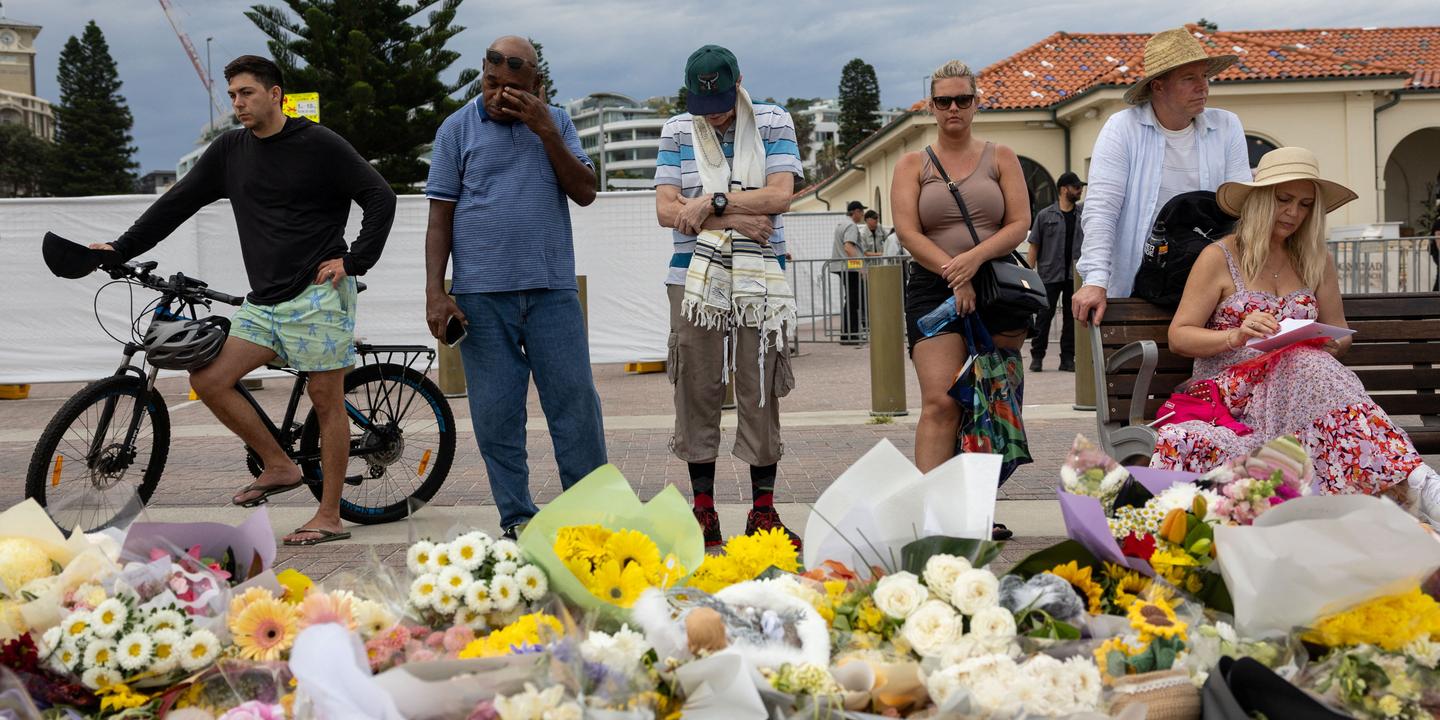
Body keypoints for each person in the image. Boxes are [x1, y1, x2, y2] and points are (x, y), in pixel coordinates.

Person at [93, 55, 397, 546]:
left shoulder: (319, 144)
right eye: (232, 94)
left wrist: (355, 260)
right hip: (265, 301)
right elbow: (177, 203)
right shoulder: (230, 150)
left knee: (325, 400)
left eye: (246, 93)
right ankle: (279, 464)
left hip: (320, 295)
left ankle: (329, 515)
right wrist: (121, 247)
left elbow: (381, 197)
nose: (237, 103)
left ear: (275, 93)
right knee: (210, 377)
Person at [1150, 147, 1440, 516]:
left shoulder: (1314, 259)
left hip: (1303, 392)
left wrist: (1326, 342)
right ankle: (1417, 482)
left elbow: (1342, 335)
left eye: (1305, 204)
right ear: (1258, 200)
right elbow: (1180, 336)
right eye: (1283, 200)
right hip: (1236, 397)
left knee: (1304, 359)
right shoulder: (1219, 256)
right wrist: (1236, 335)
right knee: (1304, 363)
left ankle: (1410, 485)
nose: (1293, 213)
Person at [423, 36, 606, 540]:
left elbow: (586, 192)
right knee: (496, 415)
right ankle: (518, 518)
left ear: (537, 86)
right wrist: (436, 293)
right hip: (482, 297)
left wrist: (546, 129)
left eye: (514, 87)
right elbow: (440, 217)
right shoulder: (455, 130)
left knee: (575, 407)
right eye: (491, 83)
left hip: (552, 291)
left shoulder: (559, 123)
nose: (500, 95)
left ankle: (589, 515)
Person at [655, 44, 803, 548]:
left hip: (761, 277)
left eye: (720, 99)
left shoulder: (773, 121)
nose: (713, 112)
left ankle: (763, 511)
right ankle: (703, 511)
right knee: (695, 385)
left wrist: (711, 204)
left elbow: (781, 195)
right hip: (692, 277)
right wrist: (739, 216)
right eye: (703, 102)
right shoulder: (678, 130)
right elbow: (665, 209)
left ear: (740, 82)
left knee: (758, 382)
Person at [890, 60, 1032, 539]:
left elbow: (1018, 224)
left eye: (963, 100)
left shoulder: (1000, 156)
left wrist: (973, 261)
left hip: (996, 284)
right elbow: (908, 232)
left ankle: (974, 513)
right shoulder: (913, 164)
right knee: (940, 402)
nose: (954, 108)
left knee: (992, 400)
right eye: (944, 101)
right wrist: (954, 273)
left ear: (977, 102)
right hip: (934, 288)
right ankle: (933, 515)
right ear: (931, 107)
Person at [1072, 27, 1250, 326]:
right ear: (1158, 86)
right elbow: (1102, 209)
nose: (1203, 87)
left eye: (1205, 76)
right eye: (1189, 78)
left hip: (1215, 283)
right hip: (1139, 283)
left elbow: (1242, 207)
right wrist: (1096, 279)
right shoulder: (1123, 129)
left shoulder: (1227, 126)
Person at [1027, 171, 1085, 372]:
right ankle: (1037, 356)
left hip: (1074, 276)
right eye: (1076, 187)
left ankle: (1067, 359)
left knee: (1071, 319)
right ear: (1064, 189)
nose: (1080, 191)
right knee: (1044, 317)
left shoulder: (1083, 214)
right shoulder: (1045, 216)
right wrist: (1028, 274)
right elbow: (1034, 246)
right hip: (1049, 275)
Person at [832, 200, 867, 344]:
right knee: (853, 302)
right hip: (850, 268)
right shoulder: (851, 225)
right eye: (862, 211)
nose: (863, 215)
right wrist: (861, 268)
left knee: (851, 301)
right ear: (856, 212)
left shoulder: (842, 223)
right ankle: (851, 335)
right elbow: (848, 247)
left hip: (844, 267)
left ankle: (848, 335)